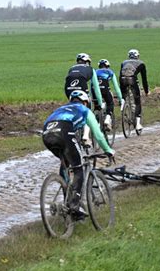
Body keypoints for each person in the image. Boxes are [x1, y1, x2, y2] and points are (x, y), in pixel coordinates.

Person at [42, 90, 115, 219]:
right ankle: (74, 206)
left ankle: (66, 202)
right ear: (85, 102)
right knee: (78, 168)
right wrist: (108, 150)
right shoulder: (84, 110)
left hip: (47, 134)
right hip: (63, 132)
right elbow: (98, 135)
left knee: (65, 163)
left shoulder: (62, 108)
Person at [65, 53, 103, 147]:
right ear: (87, 62)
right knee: (87, 112)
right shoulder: (91, 69)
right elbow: (96, 87)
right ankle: (86, 136)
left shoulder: (72, 68)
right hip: (82, 88)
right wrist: (100, 102)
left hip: (69, 89)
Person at [119, 49, 149, 131]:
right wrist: (146, 91)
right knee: (137, 101)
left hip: (122, 80)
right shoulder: (141, 63)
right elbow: (144, 79)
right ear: (137, 56)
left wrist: (121, 91)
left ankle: (123, 102)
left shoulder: (124, 62)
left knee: (125, 95)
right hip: (132, 80)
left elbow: (120, 75)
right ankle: (138, 124)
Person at [92, 59, 124, 130]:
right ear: (107, 66)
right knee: (110, 103)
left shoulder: (95, 72)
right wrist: (120, 98)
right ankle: (107, 118)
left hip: (94, 90)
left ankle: (97, 122)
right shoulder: (110, 72)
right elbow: (116, 87)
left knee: (97, 107)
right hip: (105, 89)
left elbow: (92, 84)